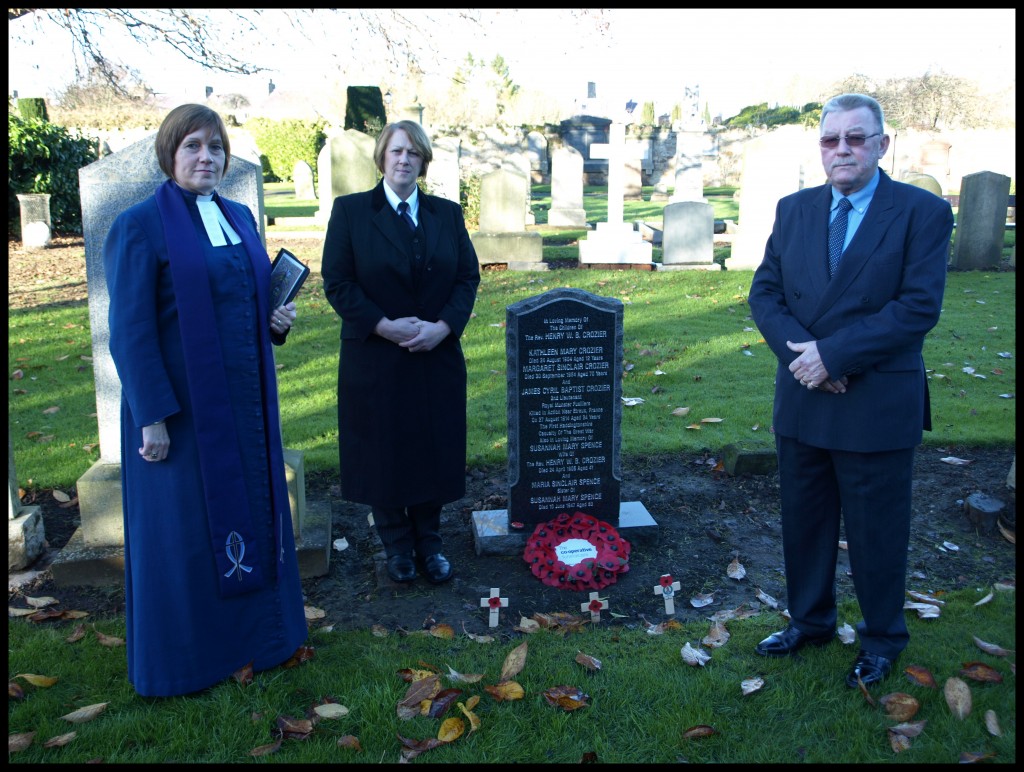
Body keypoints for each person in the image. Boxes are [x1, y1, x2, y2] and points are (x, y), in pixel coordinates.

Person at [747, 93, 953, 688]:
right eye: (831, 139)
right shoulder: (795, 209)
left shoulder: (921, 212)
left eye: (856, 138)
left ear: (882, 144)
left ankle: (883, 637)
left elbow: (918, 308)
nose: (842, 149)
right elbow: (767, 295)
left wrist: (833, 356)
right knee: (804, 523)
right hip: (805, 394)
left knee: (876, 531)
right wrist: (806, 359)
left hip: (875, 401)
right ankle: (809, 622)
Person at [103, 104, 308, 697]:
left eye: (215, 147)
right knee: (186, 533)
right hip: (181, 415)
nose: (206, 158)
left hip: (244, 408)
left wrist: (276, 319)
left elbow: (245, 304)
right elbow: (131, 331)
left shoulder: (239, 217)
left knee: (252, 515)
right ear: (170, 153)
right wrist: (153, 417)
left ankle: (261, 643)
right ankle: (190, 661)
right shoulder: (139, 226)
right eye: (193, 146)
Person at [321, 120, 480, 585]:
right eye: (396, 152)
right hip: (376, 355)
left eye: (413, 153)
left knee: (433, 447)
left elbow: (466, 278)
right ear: (381, 159)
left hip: (435, 353)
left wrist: (445, 326)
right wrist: (383, 325)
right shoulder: (351, 213)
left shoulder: (447, 215)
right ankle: (396, 545)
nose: (404, 160)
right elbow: (339, 282)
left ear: (423, 161)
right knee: (384, 449)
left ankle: (430, 543)